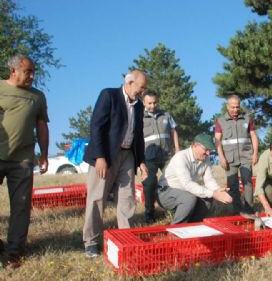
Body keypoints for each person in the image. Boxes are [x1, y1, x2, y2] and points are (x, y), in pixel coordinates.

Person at [83, 70, 148, 258]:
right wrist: (100, 157)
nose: (143, 92)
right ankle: (91, 242)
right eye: (141, 87)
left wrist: (141, 161)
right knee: (97, 197)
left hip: (127, 155)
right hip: (106, 155)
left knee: (127, 197)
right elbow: (96, 126)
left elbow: (139, 136)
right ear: (129, 83)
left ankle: (125, 237)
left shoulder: (138, 106)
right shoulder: (108, 95)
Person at [0, 54, 49, 268]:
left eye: (33, 71)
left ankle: (14, 252)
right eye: (27, 71)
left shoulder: (37, 96)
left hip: (23, 159)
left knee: (20, 206)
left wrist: (44, 154)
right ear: (13, 71)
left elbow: (42, 126)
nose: (32, 76)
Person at [157, 134, 232, 223]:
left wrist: (218, 191)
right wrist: (213, 193)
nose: (208, 153)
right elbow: (187, 184)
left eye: (210, 150)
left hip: (184, 191)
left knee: (207, 198)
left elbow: (209, 180)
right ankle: (177, 229)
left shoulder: (206, 159)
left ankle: (193, 225)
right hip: (165, 192)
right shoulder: (181, 157)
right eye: (206, 149)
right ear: (195, 146)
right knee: (189, 198)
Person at [215, 95, 259, 213]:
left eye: (237, 107)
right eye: (232, 107)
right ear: (227, 106)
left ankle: (249, 210)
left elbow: (254, 136)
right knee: (233, 186)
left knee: (248, 183)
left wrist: (255, 153)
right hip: (229, 159)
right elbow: (217, 141)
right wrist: (221, 158)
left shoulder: (247, 119)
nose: (235, 110)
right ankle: (238, 212)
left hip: (246, 157)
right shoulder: (220, 121)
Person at [141, 90, 180, 223]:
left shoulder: (166, 115)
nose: (153, 105)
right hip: (148, 158)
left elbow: (173, 131)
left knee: (174, 182)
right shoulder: (139, 118)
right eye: (149, 103)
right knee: (150, 183)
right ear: (144, 103)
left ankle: (175, 209)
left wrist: (177, 149)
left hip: (167, 156)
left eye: (155, 102)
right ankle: (149, 213)